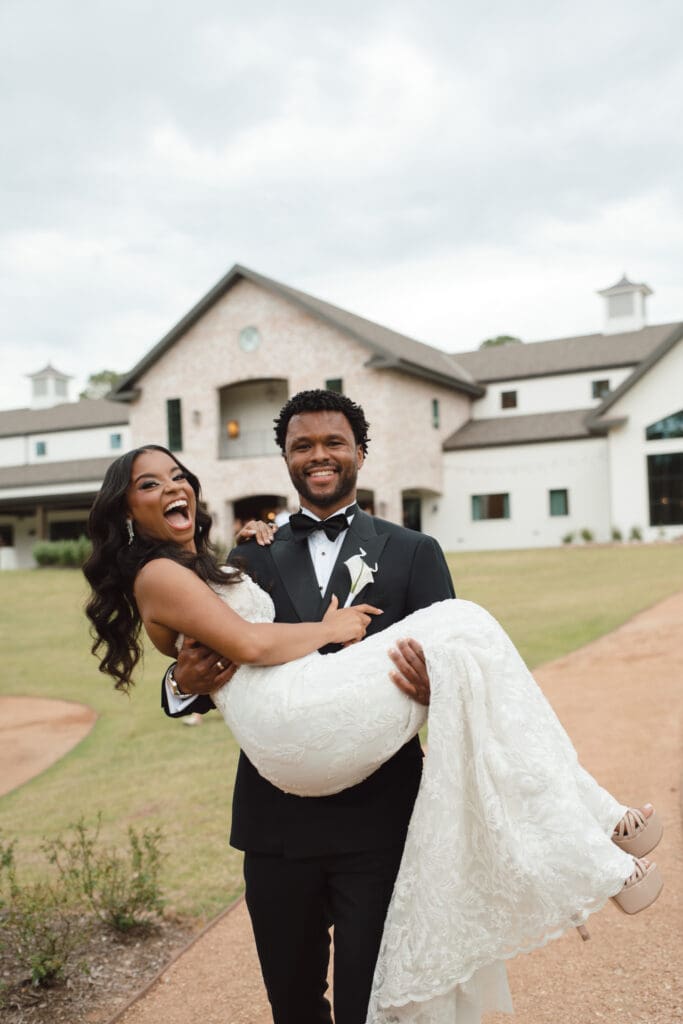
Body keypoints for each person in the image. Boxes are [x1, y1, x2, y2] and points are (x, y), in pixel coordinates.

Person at [83, 406, 662, 1024]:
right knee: (293, 1003)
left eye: (335, 442)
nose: (319, 455)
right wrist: (179, 682)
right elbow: (208, 655)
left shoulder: (414, 551)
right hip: (278, 824)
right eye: (303, 445)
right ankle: (604, 829)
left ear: (361, 451)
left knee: (374, 1001)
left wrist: (436, 687)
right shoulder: (246, 555)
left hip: (380, 821)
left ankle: (598, 833)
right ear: (286, 459)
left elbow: (452, 678)